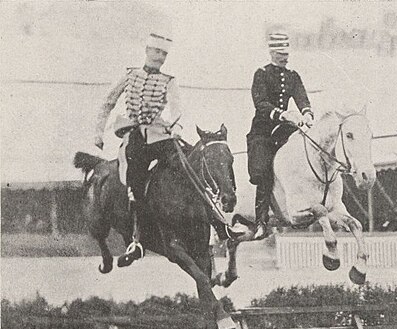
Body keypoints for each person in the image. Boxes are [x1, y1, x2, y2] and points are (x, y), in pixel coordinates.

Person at [94, 32, 238, 265]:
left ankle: (221, 226)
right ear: (147, 51)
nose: (160, 57)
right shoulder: (130, 75)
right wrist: (98, 132)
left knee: (190, 169)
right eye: (157, 52)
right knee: (135, 184)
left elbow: (176, 106)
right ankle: (136, 241)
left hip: (161, 136)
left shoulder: (169, 80)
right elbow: (107, 103)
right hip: (135, 140)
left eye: (164, 54)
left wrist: (177, 126)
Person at [246, 32, 315, 239]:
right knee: (264, 170)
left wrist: (307, 113)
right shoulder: (261, 74)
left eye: (287, 53)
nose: (285, 58)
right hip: (263, 131)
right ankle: (261, 222)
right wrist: (282, 113)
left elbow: (301, 96)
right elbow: (261, 104)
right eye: (280, 54)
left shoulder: (293, 75)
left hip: (285, 129)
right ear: (271, 52)